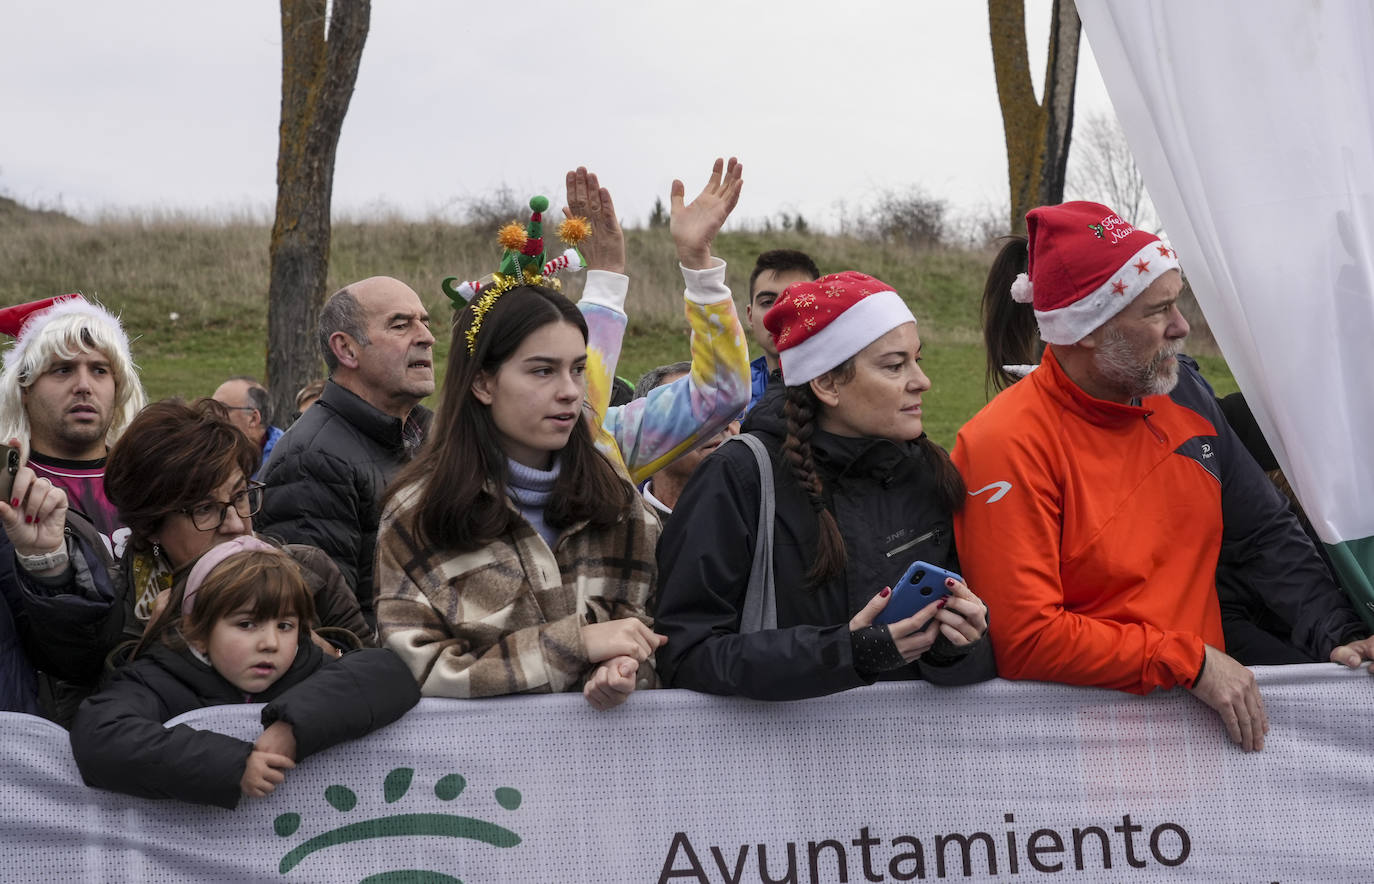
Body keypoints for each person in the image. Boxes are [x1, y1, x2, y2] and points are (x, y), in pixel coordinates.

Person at [954, 200, 1374, 753]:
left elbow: (1262, 533)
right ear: (1086, 329)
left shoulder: (1184, 394)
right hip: (1077, 759)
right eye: (1158, 312)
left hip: (1205, 729)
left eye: (1176, 303)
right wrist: (1188, 661)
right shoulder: (1001, 443)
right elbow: (1026, 636)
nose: (1182, 327)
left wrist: (1337, 633)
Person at [377, 160, 749, 710]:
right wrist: (574, 646)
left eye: (577, 371)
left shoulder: (612, 473)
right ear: (481, 381)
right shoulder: (419, 510)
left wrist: (627, 663)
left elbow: (653, 626)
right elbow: (419, 669)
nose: (572, 392)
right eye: (541, 372)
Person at [655, 271, 995, 700]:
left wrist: (954, 647)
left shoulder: (928, 472)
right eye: (894, 365)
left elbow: (973, 664)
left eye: (917, 360)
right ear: (827, 384)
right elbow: (685, 654)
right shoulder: (738, 477)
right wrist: (845, 653)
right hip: (777, 763)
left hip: (908, 761)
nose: (921, 381)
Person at [5, 399, 372, 715]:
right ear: (150, 526)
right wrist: (159, 649)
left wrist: (320, 652)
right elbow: (94, 721)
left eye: (241, 497)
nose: (234, 525)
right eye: (204, 509)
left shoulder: (308, 570)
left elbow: (377, 676)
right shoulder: (113, 607)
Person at [69, 538, 419, 809]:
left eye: (285, 625)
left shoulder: (306, 666)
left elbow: (391, 673)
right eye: (247, 624)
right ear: (198, 633)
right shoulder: (156, 679)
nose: (270, 643)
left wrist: (293, 727)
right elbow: (99, 734)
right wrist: (234, 764)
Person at [255, 275, 436, 620]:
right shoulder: (310, 461)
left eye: (424, 323)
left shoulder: (429, 436)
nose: (428, 338)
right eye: (401, 325)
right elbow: (328, 622)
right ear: (347, 349)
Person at [0, 294, 146, 715]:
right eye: (62, 369)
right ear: (24, 390)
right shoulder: (9, 494)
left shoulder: (154, 485)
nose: (84, 384)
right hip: (45, 734)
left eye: (99, 370)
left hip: (161, 718)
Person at [633, 361, 740, 517]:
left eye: (731, 412)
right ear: (648, 435)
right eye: (696, 411)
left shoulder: (765, 517)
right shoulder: (623, 530)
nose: (721, 423)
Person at [744, 249, 820, 411]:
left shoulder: (847, 391)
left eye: (795, 300)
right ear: (750, 316)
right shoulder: (729, 400)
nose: (778, 314)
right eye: (767, 302)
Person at [212, 376, 284, 479]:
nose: (212, 416)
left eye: (222, 409)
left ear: (253, 419)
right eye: (211, 408)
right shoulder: (204, 456)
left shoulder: (286, 463)